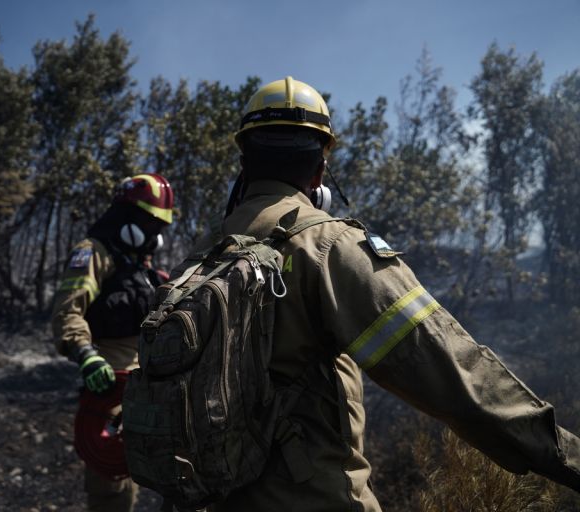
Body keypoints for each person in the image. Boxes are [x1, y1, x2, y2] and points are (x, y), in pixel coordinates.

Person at [192, 77, 580, 511]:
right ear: (320, 170)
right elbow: (453, 372)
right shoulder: (326, 246)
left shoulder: (202, 256)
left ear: (244, 163)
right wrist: (569, 457)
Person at [51, 173, 174, 512]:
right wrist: (86, 355)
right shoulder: (92, 254)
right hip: (108, 386)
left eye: (160, 227)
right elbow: (67, 311)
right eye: (150, 223)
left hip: (147, 388)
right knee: (110, 484)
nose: (155, 236)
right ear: (128, 217)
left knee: (141, 478)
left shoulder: (142, 266)